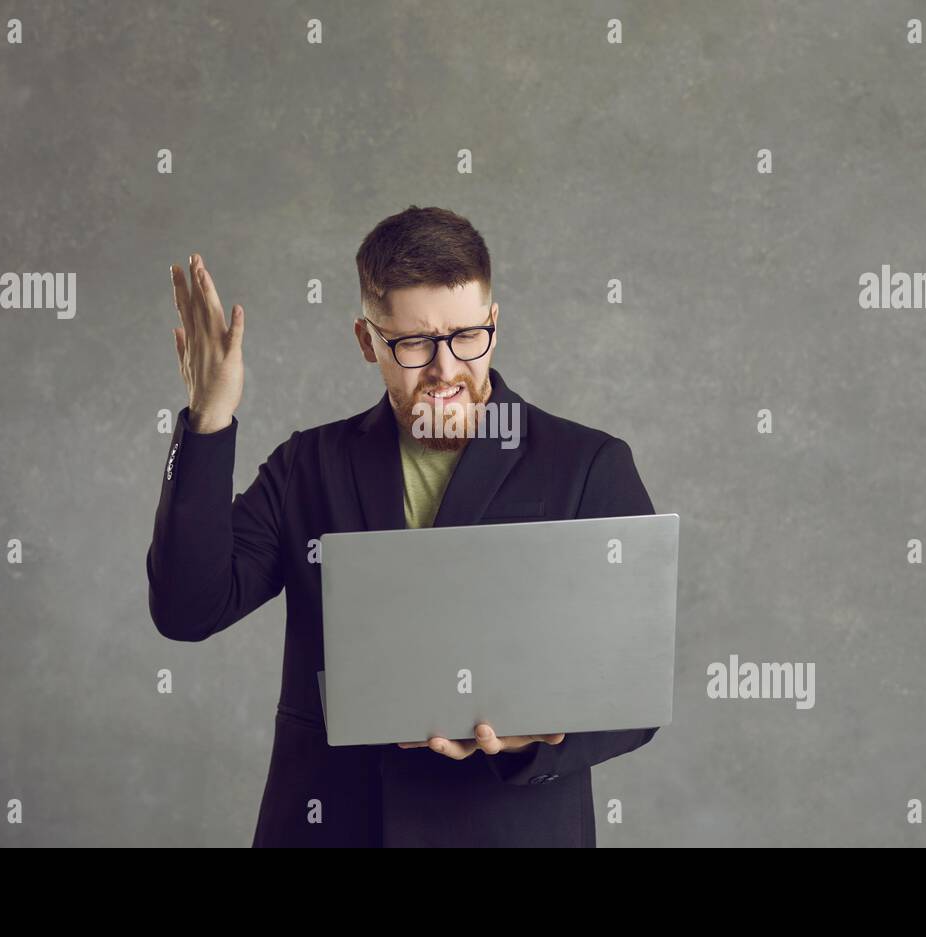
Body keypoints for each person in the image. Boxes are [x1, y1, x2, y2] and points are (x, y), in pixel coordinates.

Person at [147, 205, 660, 847]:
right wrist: (209, 421)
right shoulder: (309, 466)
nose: (446, 371)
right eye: (415, 345)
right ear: (368, 341)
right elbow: (187, 609)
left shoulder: (587, 465)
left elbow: (636, 687)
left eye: (466, 337)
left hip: (506, 829)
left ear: (493, 325)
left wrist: (542, 737)